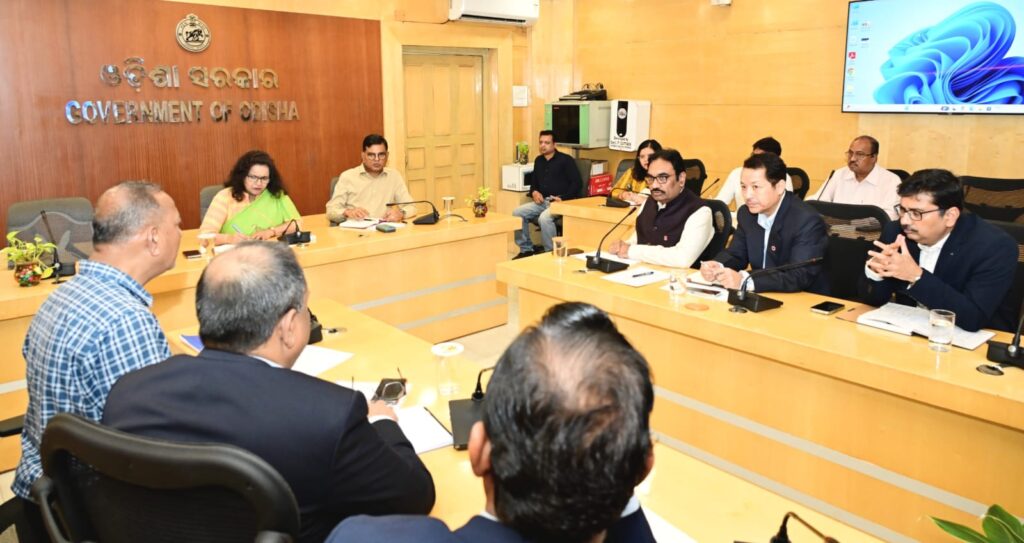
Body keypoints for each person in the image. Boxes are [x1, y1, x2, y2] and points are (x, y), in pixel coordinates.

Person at [102, 241, 435, 543]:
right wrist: (383, 422)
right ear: (288, 327)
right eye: (306, 310)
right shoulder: (329, 415)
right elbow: (414, 497)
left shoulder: (128, 392)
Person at [326, 302, 656, 543]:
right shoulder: (630, 484)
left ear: (479, 449)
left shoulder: (360, 537)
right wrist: (617, 472)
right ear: (642, 469)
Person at [13, 182, 182, 503]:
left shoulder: (61, 296)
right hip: (95, 505)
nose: (181, 233)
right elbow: (153, 448)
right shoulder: (126, 321)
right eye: (176, 224)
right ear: (154, 237)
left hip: (48, 490)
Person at [860, 169, 1017, 332]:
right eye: (903, 210)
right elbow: (872, 300)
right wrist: (875, 273)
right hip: (910, 331)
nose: (905, 221)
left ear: (950, 216)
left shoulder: (994, 246)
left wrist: (916, 276)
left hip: (978, 338)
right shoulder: (896, 232)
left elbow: (974, 317)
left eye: (916, 213)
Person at [701, 152, 829, 294]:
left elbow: (797, 275)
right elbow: (737, 254)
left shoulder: (806, 220)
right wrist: (718, 265)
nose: (747, 195)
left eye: (756, 187)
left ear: (779, 187)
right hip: (761, 294)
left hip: (803, 298)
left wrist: (745, 280)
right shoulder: (746, 214)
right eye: (743, 187)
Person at [607, 149, 713, 268]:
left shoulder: (700, 211)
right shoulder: (648, 203)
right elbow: (638, 240)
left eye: (662, 178)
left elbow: (682, 258)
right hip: (645, 272)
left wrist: (631, 250)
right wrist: (623, 246)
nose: (654, 185)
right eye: (650, 178)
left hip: (679, 278)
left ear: (681, 179)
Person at [199, 149, 302, 245]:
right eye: (253, 177)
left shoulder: (276, 195)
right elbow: (205, 236)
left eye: (264, 178)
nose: (258, 183)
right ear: (242, 176)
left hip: (270, 251)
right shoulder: (225, 197)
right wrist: (230, 239)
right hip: (234, 254)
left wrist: (270, 232)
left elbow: (297, 224)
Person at [512, 130, 581, 258]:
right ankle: (526, 250)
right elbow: (534, 184)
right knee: (517, 212)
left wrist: (563, 198)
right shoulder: (539, 161)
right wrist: (534, 192)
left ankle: (550, 252)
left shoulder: (566, 160)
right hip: (542, 202)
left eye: (547, 143)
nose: (543, 145)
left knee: (544, 218)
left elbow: (576, 183)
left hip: (561, 203)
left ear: (554, 144)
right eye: (541, 142)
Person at [326, 134, 415, 223]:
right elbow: (331, 210)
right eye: (371, 155)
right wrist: (348, 212)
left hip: (384, 228)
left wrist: (401, 213)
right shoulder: (347, 177)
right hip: (355, 229)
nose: (376, 159)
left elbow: (411, 207)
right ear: (363, 156)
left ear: (387, 155)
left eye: (381, 155)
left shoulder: (394, 176)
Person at [808, 135, 901, 220]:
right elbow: (817, 202)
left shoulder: (891, 181)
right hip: (835, 229)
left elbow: (890, 217)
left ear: (873, 157)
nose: (852, 158)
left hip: (873, 232)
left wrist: (853, 224)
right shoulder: (838, 175)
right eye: (850, 153)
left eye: (860, 154)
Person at [715, 136, 794, 209]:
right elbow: (720, 203)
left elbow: (785, 208)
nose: (754, 160)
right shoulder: (737, 173)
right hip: (741, 218)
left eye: (760, 157)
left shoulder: (783, 177)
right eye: (753, 156)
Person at [610, 139, 661, 205]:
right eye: (642, 157)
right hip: (631, 209)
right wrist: (623, 194)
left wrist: (645, 200)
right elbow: (614, 191)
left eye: (650, 156)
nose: (646, 159)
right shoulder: (632, 172)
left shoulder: (666, 175)